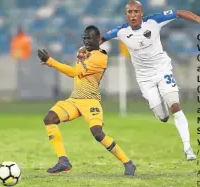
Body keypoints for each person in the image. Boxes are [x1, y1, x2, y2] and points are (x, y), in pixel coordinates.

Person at [85, 0, 200, 160]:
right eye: (129, 12)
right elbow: (99, 40)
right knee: (163, 117)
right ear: (126, 14)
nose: (133, 15)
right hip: (144, 79)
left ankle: (188, 148)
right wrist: (84, 51)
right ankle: (161, 101)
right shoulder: (121, 31)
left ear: (141, 13)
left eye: (135, 12)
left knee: (174, 105)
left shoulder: (154, 21)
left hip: (162, 70)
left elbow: (179, 13)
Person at [37, 25, 136, 175]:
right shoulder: (82, 51)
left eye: (90, 37)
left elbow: (74, 72)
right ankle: (63, 161)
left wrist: (51, 61)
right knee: (49, 119)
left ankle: (128, 163)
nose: (87, 40)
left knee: (97, 133)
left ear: (98, 38)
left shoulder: (100, 57)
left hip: (90, 101)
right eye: (85, 38)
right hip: (74, 100)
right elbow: (76, 71)